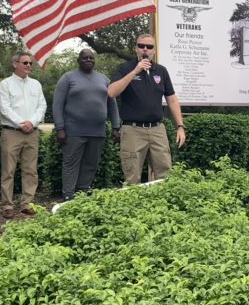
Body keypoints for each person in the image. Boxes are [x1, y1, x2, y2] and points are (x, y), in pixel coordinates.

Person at [108, 34, 185, 186]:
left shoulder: (161, 71)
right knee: (132, 177)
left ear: (154, 51)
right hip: (133, 130)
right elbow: (111, 92)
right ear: (136, 48)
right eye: (141, 46)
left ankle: (161, 201)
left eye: (149, 47)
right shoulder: (125, 68)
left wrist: (180, 126)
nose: (145, 49)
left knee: (165, 175)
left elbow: (172, 99)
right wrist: (135, 71)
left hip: (157, 129)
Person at [54, 49, 120, 199]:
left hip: (98, 132)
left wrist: (116, 127)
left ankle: (82, 194)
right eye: (85, 58)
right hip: (73, 131)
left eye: (91, 58)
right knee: (71, 163)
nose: (88, 60)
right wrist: (60, 128)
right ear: (78, 60)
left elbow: (112, 105)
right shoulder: (68, 78)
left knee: (91, 164)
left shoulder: (104, 79)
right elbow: (57, 105)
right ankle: (68, 196)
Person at [0, 51, 46, 216]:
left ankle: (27, 203)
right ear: (15, 64)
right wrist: (21, 123)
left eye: (30, 63)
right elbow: (4, 107)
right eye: (25, 63)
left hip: (32, 133)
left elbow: (42, 106)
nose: (29, 65)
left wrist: (32, 122)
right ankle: (7, 205)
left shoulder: (36, 84)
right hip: (12, 132)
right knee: (8, 170)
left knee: (30, 170)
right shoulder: (6, 84)